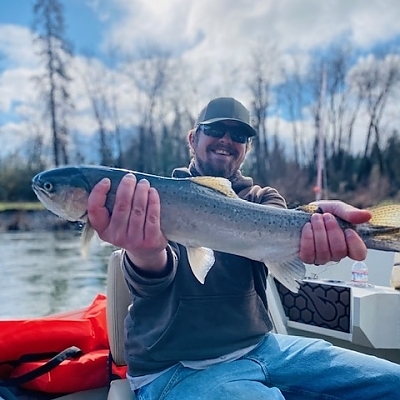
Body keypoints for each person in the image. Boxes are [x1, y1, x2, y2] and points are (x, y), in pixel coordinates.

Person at [87, 97, 400, 399]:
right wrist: (145, 253)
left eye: (239, 134)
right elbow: (155, 276)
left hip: (261, 349)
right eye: (215, 130)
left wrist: (320, 218)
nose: (227, 139)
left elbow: (286, 223)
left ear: (246, 148)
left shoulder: (262, 198)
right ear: (193, 138)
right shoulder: (151, 200)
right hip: (173, 368)